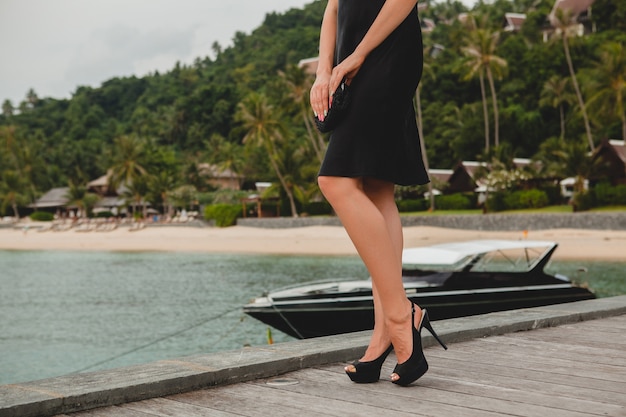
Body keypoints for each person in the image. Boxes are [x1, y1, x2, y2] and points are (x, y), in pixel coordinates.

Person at [309, 0, 447, 386]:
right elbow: (334, 6)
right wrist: (324, 71)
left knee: (334, 180)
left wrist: (357, 55)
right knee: (376, 189)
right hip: (349, 55)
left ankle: (401, 315)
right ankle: (384, 333)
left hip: (386, 50)